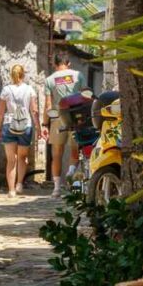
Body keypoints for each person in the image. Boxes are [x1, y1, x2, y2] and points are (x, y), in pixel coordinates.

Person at [42, 51, 85, 196]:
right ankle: (71, 173)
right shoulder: (78, 75)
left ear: (55, 64)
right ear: (69, 63)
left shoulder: (49, 80)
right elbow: (86, 96)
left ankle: (56, 188)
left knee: (57, 154)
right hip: (77, 117)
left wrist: (44, 124)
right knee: (75, 151)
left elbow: (48, 105)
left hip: (58, 118)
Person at [0, 64, 40, 197]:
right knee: (22, 157)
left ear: (11, 75)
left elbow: (0, 112)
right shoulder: (30, 90)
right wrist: (38, 127)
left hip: (9, 124)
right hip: (25, 125)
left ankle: (11, 190)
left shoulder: (6, 90)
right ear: (23, 75)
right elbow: (34, 110)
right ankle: (19, 183)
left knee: (11, 160)